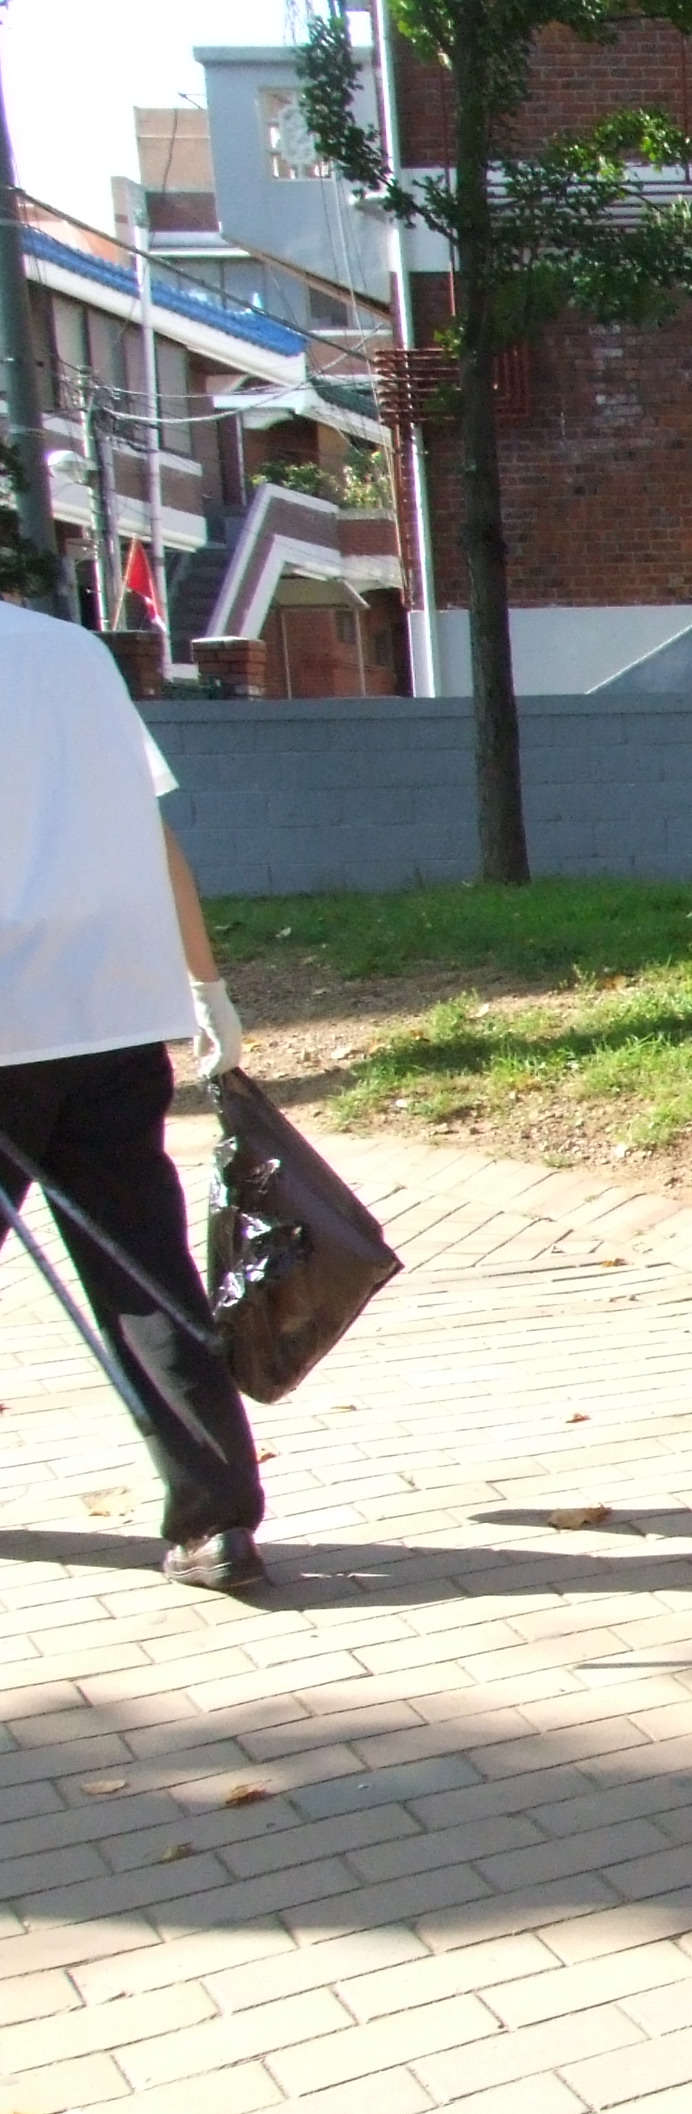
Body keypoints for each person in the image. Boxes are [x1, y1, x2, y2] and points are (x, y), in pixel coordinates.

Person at [0, 601, 266, 1590]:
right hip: (109, 1008)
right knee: (144, 1271)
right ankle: (217, 1516)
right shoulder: (72, 653)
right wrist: (208, 986)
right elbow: (146, 832)